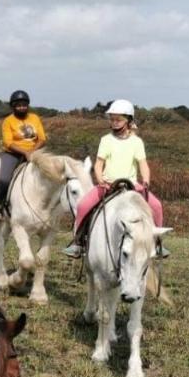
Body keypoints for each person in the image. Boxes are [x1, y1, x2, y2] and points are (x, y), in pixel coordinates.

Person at [63, 99, 167, 258]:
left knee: (157, 206)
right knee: (83, 205)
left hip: (131, 184)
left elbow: (143, 164)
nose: (114, 123)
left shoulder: (136, 142)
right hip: (108, 184)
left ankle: (157, 242)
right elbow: (98, 165)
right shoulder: (106, 140)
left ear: (129, 120)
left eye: (118, 120)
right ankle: (78, 243)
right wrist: (100, 180)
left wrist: (145, 180)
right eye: (112, 119)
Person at [0, 89, 48, 220]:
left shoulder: (34, 118)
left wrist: (33, 152)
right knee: (4, 178)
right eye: (18, 105)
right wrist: (25, 153)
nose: (21, 107)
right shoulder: (8, 121)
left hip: (35, 152)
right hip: (13, 154)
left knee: (51, 172)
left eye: (24, 104)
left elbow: (42, 138)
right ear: (13, 106)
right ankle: (0, 207)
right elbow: (8, 142)